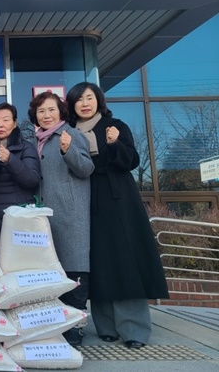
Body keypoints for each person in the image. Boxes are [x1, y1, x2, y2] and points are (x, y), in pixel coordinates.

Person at [66, 82, 168, 349]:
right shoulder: (69, 132)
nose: (85, 103)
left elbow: (131, 161)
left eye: (90, 98)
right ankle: (106, 326)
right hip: (86, 201)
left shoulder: (115, 126)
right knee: (99, 262)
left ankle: (134, 328)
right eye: (79, 99)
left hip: (117, 199)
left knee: (125, 260)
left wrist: (113, 144)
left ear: (99, 101)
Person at [27, 91, 95, 347]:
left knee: (74, 267)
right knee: (50, 270)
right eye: (41, 111)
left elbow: (86, 169)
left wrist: (68, 150)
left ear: (61, 112)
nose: (46, 115)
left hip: (70, 214)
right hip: (43, 216)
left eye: (51, 110)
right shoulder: (35, 140)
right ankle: (54, 323)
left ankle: (75, 326)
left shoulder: (71, 135)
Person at [0, 102, 40, 254]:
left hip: (17, 217)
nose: (0, 124)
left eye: (6, 120)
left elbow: (32, 179)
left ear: (15, 123)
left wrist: (10, 160)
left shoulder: (25, 147)